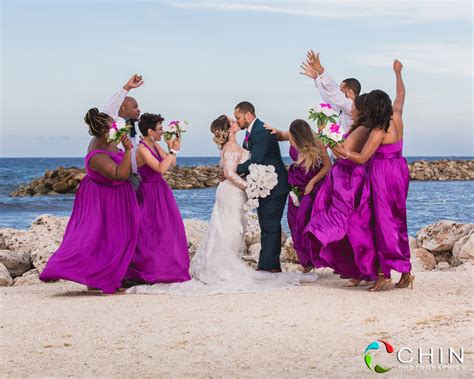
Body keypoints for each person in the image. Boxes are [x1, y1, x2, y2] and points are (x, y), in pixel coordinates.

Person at [127, 115, 317, 295]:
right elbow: (229, 173)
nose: (235, 122)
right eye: (232, 121)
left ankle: (224, 264)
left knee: (234, 230)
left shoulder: (235, 144)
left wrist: (171, 148)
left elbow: (174, 162)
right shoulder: (231, 147)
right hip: (230, 193)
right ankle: (221, 269)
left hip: (231, 193)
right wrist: (250, 188)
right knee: (229, 230)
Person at [331, 60, 413, 291]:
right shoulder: (397, 115)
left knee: (383, 222)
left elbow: (362, 158)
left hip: (383, 173)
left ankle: (383, 274)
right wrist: (398, 73)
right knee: (398, 219)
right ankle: (405, 272)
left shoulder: (379, 130)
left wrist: (341, 150)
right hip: (400, 170)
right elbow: (401, 94)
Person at [40, 108, 139, 294]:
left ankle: (103, 277)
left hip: (115, 195)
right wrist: (127, 151)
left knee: (110, 237)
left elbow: (110, 111)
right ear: (103, 130)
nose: (117, 126)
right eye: (113, 125)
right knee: (104, 237)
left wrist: (126, 88)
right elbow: (120, 174)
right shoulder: (98, 154)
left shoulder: (107, 139)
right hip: (105, 198)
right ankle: (99, 278)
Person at [303, 94, 379, 287]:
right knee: (347, 225)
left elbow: (344, 153)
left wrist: (326, 137)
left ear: (361, 110)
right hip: (343, 177)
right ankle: (357, 270)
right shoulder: (359, 128)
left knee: (347, 223)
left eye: (354, 107)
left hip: (349, 180)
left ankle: (364, 269)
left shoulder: (362, 129)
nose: (350, 109)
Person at [125, 113, 191, 284]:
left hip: (161, 191)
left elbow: (172, 163)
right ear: (150, 131)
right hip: (148, 193)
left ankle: (167, 267)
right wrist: (173, 150)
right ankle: (149, 269)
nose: (162, 132)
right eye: (160, 129)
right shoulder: (141, 149)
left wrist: (171, 148)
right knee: (150, 231)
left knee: (168, 229)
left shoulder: (154, 145)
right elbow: (161, 168)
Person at [264, 120, 331, 272]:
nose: (290, 139)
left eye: (292, 136)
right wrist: (273, 129)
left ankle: (312, 260)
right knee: (292, 221)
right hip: (295, 185)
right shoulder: (291, 135)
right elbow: (282, 135)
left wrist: (312, 183)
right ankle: (305, 262)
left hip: (311, 187)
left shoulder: (317, 142)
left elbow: (328, 166)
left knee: (303, 222)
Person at [234, 102, 290, 272]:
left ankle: (269, 267)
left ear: (248, 115)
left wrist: (233, 170)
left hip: (275, 186)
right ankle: (268, 265)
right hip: (265, 185)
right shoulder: (254, 131)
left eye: (238, 117)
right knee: (266, 225)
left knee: (270, 225)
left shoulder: (260, 132)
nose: (237, 121)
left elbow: (256, 160)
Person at [300, 51, 361, 134]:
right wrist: (316, 78)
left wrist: (321, 71)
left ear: (350, 92)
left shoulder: (353, 107)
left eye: (341, 90)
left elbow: (335, 93)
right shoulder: (342, 107)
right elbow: (329, 98)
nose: (339, 92)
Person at [102, 74, 144, 190]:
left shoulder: (131, 126)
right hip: (123, 176)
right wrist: (127, 87)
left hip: (135, 176)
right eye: (135, 107)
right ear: (124, 108)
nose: (139, 110)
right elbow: (107, 111)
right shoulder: (114, 122)